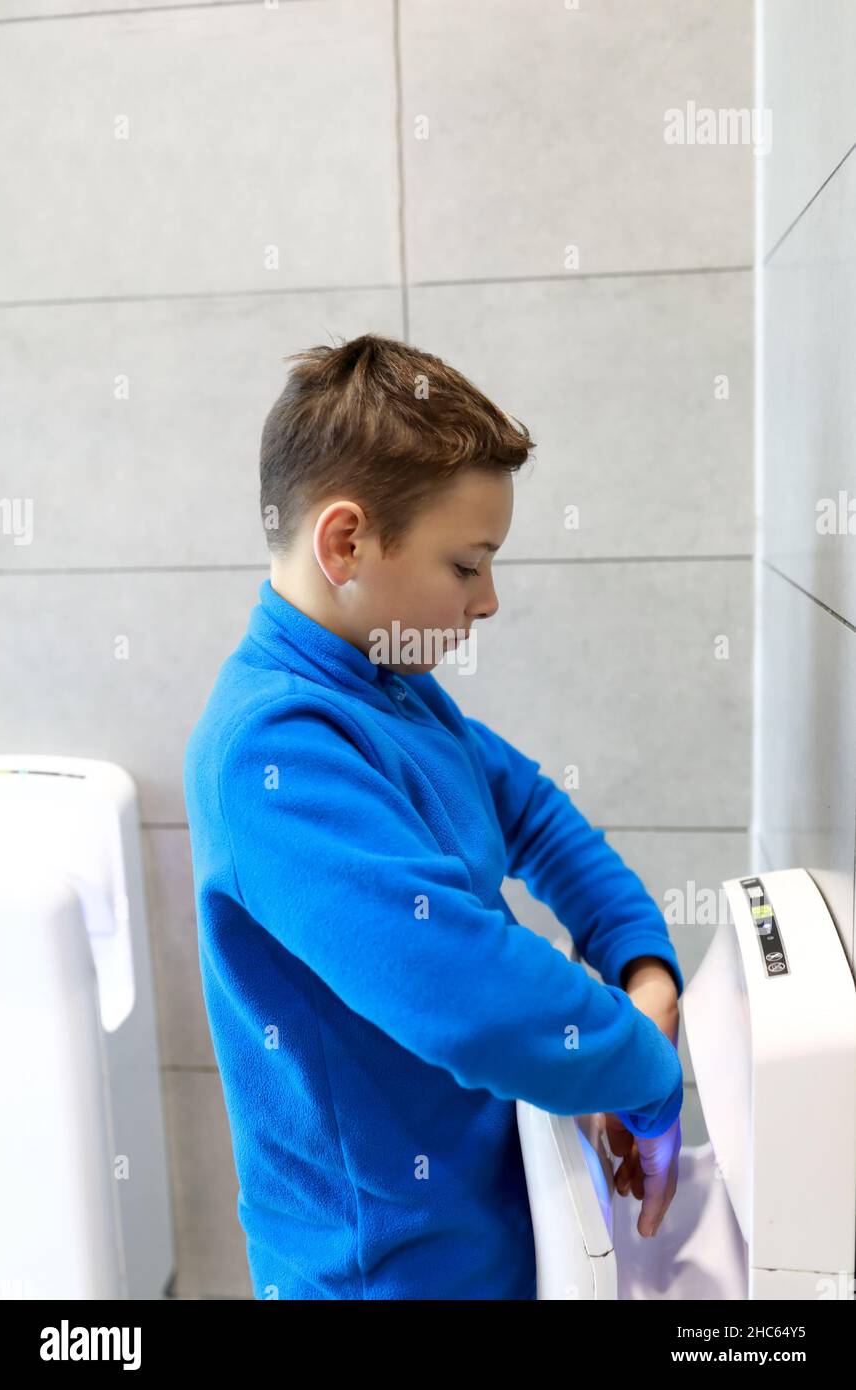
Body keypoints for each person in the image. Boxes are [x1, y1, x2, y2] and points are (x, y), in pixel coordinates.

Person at [183, 332, 683, 1300]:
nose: (487, 600)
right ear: (345, 542)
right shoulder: (273, 750)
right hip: (384, 1270)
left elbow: (536, 815)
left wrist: (639, 960)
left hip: (470, 1224)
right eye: (466, 565)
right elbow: (469, 994)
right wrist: (646, 1074)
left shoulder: (390, 689)